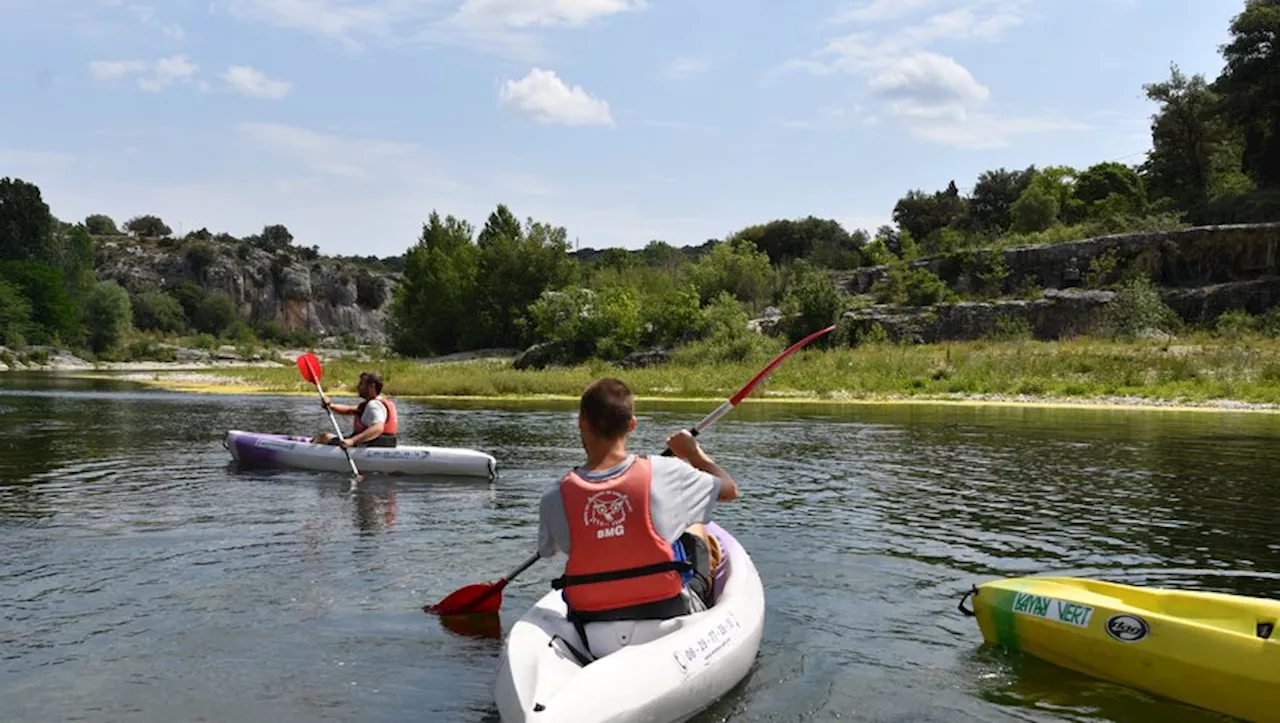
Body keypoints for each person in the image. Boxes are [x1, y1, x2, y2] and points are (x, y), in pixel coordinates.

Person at [536, 377, 739, 660]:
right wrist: (693, 453)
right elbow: (729, 490)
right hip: (666, 610)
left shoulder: (554, 497)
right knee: (696, 526)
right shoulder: (665, 472)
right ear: (632, 424)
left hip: (591, 625)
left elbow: (549, 549)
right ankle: (703, 607)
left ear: (581, 422)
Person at [311, 371, 399, 448]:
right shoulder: (375, 403)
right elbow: (349, 410)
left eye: (361, 384)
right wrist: (330, 405)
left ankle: (308, 449)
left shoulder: (373, 405)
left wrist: (352, 441)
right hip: (384, 444)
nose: (358, 387)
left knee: (324, 437)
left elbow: (378, 428)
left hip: (371, 445)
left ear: (371, 386)